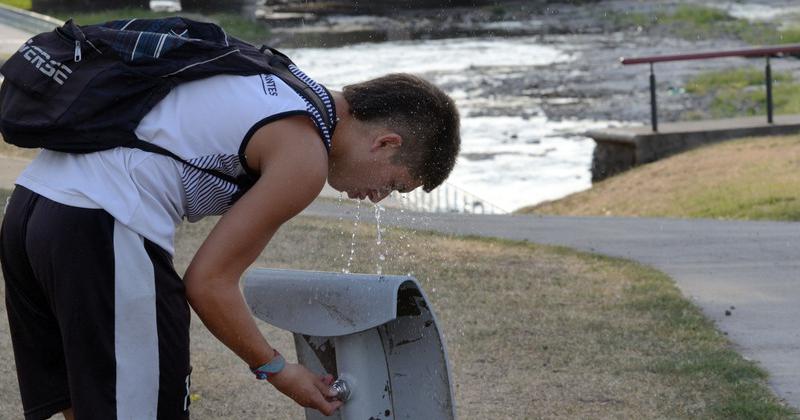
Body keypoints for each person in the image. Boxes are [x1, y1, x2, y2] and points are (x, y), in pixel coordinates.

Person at [0, 63, 461, 419]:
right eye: (394, 185)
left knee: (89, 403)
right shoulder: (305, 155)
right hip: (100, 226)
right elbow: (209, 283)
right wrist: (278, 370)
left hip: (31, 208)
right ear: (385, 143)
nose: (377, 198)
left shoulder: (280, 78)